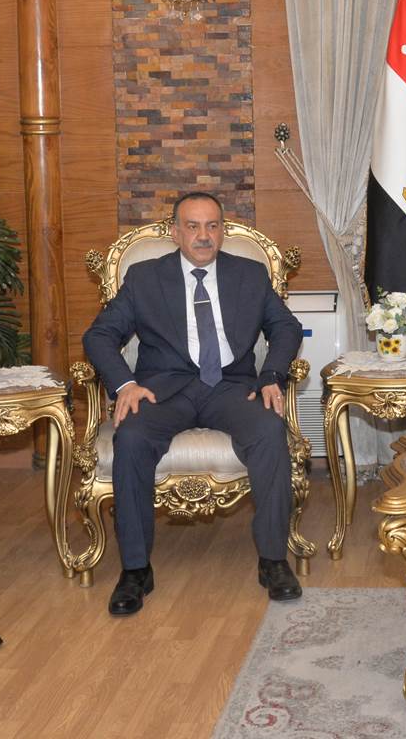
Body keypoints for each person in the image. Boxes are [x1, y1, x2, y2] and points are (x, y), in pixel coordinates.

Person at [83, 191, 304, 616]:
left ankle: (274, 561)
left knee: (269, 430)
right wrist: (125, 383)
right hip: (163, 390)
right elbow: (99, 335)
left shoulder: (250, 274)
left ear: (222, 230)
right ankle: (135, 570)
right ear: (175, 232)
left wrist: (272, 376)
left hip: (232, 387)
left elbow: (286, 327)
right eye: (193, 226)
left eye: (212, 226)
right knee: (131, 437)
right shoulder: (145, 277)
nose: (204, 236)